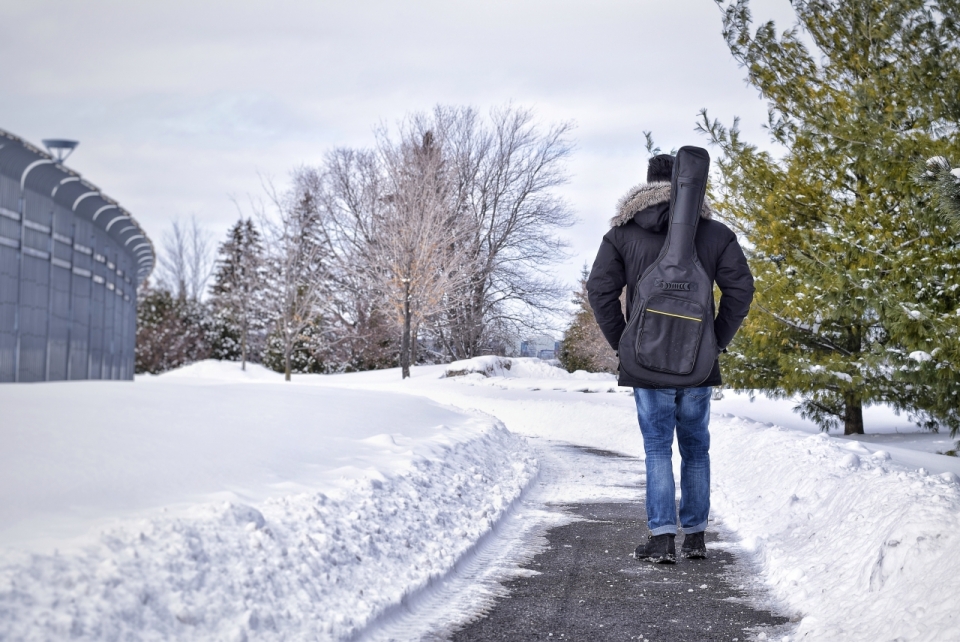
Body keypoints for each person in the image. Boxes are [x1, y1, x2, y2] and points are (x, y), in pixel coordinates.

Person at [586, 153, 754, 563]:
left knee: (658, 447)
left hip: (645, 360)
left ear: (646, 187)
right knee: (696, 448)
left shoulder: (622, 234)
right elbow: (741, 291)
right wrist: (717, 340)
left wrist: (623, 342)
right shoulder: (715, 234)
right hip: (697, 361)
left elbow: (599, 291)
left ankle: (662, 539)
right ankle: (695, 536)